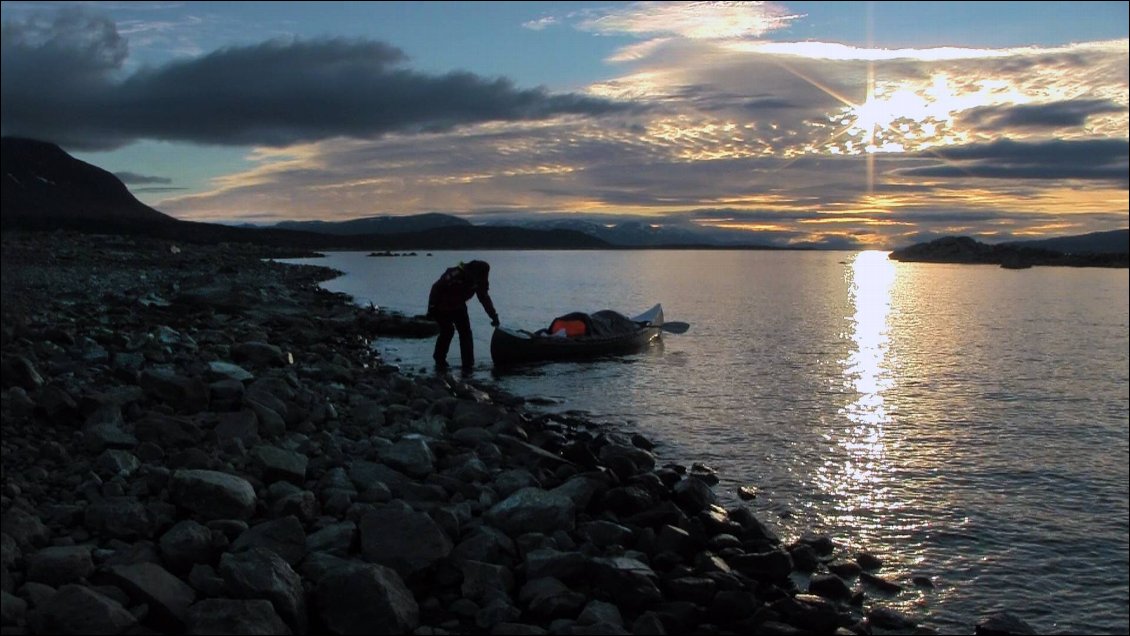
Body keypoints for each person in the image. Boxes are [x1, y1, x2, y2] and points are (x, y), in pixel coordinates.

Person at [427, 260, 499, 370]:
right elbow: (436, 287)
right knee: (448, 331)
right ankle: (439, 359)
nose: (482, 278)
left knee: (466, 333)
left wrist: (493, 316)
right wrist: (431, 307)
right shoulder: (455, 274)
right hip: (441, 305)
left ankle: (468, 364)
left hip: (459, 306)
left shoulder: (480, 280)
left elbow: (484, 297)